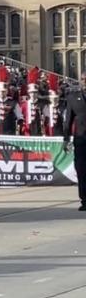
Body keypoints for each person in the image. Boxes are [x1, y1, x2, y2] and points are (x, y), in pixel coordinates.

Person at [62, 69, 86, 212]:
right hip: (81, 139)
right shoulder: (72, 97)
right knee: (82, 170)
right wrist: (66, 139)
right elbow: (68, 120)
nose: (85, 81)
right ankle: (84, 200)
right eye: (83, 79)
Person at [0, 66, 22, 135]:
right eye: (0, 91)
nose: (2, 93)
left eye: (4, 91)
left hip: (10, 133)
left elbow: (19, 117)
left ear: (7, 91)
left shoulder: (13, 103)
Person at [21, 68, 43, 136]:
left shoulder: (42, 104)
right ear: (29, 93)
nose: (33, 95)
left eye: (35, 93)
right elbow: (21, 118)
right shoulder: (24, 105)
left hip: (39, 132)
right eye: (31, 93)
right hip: (27, 133)